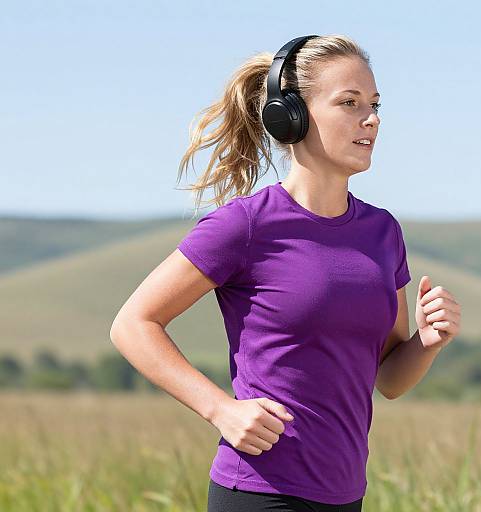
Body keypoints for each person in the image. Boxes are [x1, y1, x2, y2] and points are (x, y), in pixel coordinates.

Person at [110, 34, 461, 512]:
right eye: (349, 103)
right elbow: (133, 324)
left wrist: (429, 341)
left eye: (375, 104)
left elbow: (390, 379)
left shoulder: (383, 232)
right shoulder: (246, 225)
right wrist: (221, 410)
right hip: (260, 491)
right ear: (290, 115)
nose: (372, 118)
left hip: (346, 496)